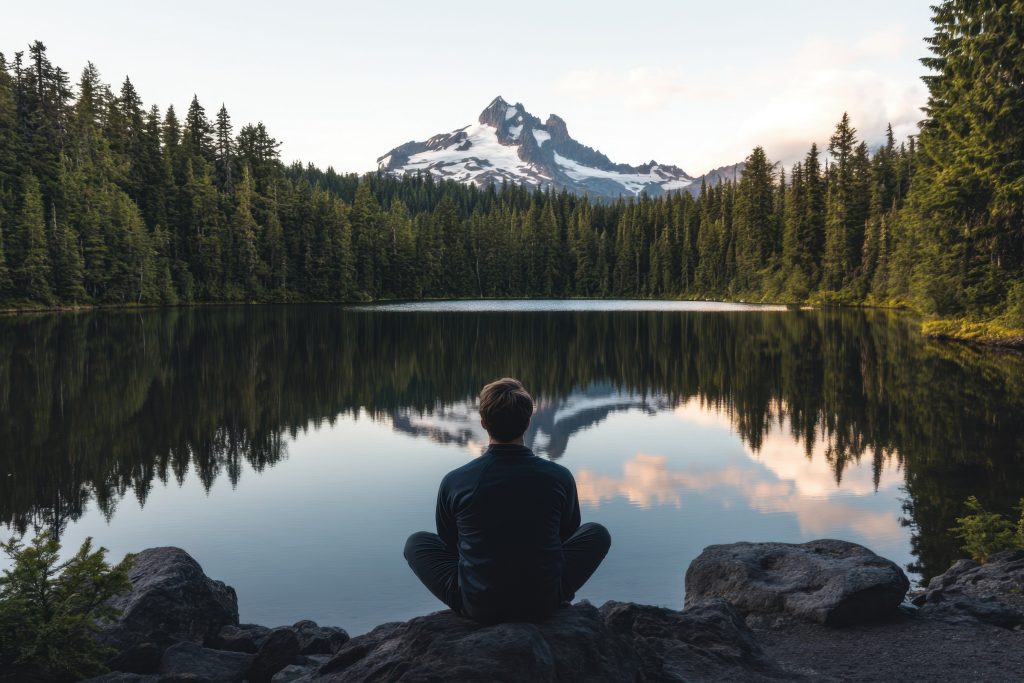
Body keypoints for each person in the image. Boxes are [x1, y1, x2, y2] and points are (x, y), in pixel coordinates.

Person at [404, 377, 611, 624]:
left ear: (483, 423)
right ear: (528, 422)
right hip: (544, 602)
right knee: (597, 533)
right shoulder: (559, 477)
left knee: (417, 543)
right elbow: (566, 533)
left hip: (479, 606)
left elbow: (450, 542)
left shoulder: (455, 481)